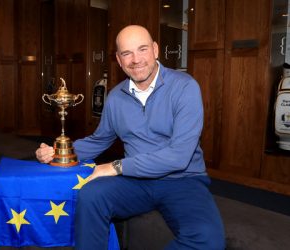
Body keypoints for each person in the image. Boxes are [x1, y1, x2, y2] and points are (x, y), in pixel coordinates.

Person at [36, 25, 225, 250]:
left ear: (155, 50)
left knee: (208, 239)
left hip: (182, 180)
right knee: (91, 196)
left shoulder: (185, 87)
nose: (135, 59)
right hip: (135, 181)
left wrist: (115, 166)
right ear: (119, 59)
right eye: (127, 53)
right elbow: (99, 140)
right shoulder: (115, 97)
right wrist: (58, 153)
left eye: (142, 49)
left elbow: (179, 156)